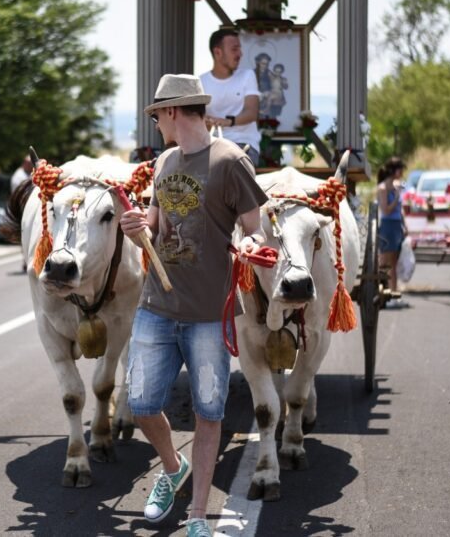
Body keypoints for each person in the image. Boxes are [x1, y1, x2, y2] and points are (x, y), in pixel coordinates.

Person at [120, 73, 267, 537]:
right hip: (156, 304)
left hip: (208, 313)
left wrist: (249, 246)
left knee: (209, 412)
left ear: (172, 112)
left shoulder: (231, 161)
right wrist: (135, 223)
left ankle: (198, 516)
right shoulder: (164, 161)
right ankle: (173, 467)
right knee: (140, 404)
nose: (156, 123)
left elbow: (255, 228)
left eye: (158, 115)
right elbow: (156, 222)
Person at [199, 29, 261, 165]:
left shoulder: (247, 75)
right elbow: (198, 119)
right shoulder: (201, 82)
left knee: (228, 164)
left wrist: (226, 121)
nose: (240, 54)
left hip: (244, 144)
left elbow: (251, 113)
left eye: (240, 49)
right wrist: (207, 121)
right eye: (235, 49)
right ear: (217, 52)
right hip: (212, 145)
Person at [377, 156, 408, 308]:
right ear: (394, 170)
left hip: (396, 226)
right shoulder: (383, 188)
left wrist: (404, 225)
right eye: (400, 169)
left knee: (394, 264)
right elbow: (386, 209)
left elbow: (399, 211)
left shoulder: (397, 186)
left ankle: (394, 295)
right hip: (388, 225)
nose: (402, 172)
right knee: (385, 262)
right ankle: (384, 293)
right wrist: (396, 196)